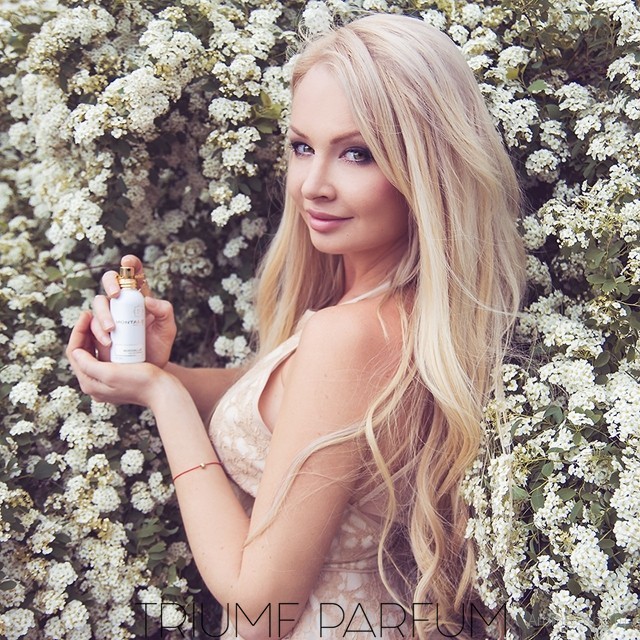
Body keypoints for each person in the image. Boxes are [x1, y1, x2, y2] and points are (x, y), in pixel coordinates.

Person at [67, 13, 526, 639]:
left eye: (357, 154)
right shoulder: (388, 311)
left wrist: (164, 397)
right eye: (302, 147)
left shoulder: (353, 334)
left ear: (426, 168)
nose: (313, 185)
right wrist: (158, 371)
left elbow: (257, 610)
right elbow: (289, 410)